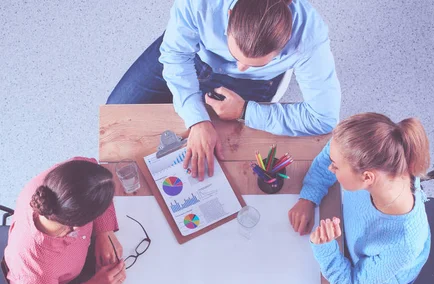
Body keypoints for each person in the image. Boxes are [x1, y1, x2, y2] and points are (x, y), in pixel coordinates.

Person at [107, 0, 341, 180]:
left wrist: (246, 112)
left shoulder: (309, 36)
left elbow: (323, 118)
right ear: (229, 17)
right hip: (189, 54)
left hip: (249, 86)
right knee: (113, 119)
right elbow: (176, 55)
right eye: (237, 55)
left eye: (254, 63)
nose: (239, 67)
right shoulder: (200, 3)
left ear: (286, 42)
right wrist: (197, 120)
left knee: (228, 161)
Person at [289, 113, 431, 284]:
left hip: (379, 278)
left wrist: (326, 248)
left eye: (335, 167)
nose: (330, 168)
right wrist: (309, 197)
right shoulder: (384, 157)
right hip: (356, 237)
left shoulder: (405, 242)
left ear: (367, 178)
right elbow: (330, 154)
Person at [4, 158, 126, 284]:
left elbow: (92, 169)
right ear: (78, 226)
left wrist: (104, 231)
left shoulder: (58, 182)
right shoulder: (39, 275)